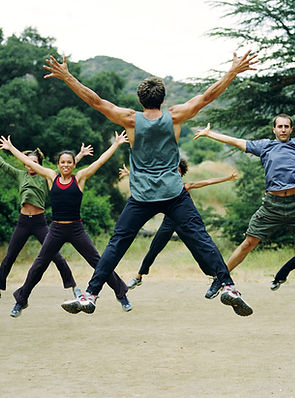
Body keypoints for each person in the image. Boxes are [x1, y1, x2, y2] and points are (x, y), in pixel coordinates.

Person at [43, 50, 258, 317]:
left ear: (140, 100)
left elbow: (95, 101)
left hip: (142, 196)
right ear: (163, 99)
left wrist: (68, 77)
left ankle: (91, 295)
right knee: (201, 237)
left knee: (117, 244)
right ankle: (228, 286)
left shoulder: (130, 119)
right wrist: (232, 72)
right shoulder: (176, 116)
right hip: (173, 193)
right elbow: (208, 96)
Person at [193, 116, 295, 294]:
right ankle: (220, 279)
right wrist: (210, 134)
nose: (283, 129)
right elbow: (237, 142)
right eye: (280, 126)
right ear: (274, 130)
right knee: (249, 242)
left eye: (286, 127)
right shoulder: (265, 146)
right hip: (271, 205)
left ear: (291, 130)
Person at [0, 132, 131, 317]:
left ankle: (121, 294)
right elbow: (29, 162)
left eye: (69, 162)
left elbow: (100, 162)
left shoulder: (80, 178)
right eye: (63, 162)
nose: (66, 165)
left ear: (74, 164)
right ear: (58, 164)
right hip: (56, 229)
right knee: (39, 264)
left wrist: (116, 144)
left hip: (76, 229)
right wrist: (11, 148)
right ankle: (21, 301)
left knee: (99, 262)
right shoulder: (51, 176)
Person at [121, 161, 239, 300]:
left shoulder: (185, 186)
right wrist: (130, 173)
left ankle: (215, 277)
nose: (175, 173)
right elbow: (148, 179)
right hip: (168, 223)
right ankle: (139, 276)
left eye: (178, 171)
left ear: (181, 174)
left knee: (198, 252)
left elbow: (207, 181)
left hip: (184, 224)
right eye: (172, 171)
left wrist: (227, 178)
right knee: (154, 249)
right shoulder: (165, 187)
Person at [0, 143, 93, 300]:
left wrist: (81, 155)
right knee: (10, 256)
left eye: (35, 163)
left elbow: (66, 166)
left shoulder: (46, 176)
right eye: (29, 163)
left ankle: (73, 286)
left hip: (39, 222)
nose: (31, 166)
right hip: (23, 221)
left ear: (39, 165)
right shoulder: (19, 175)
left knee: (56, 256)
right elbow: (3, 165)